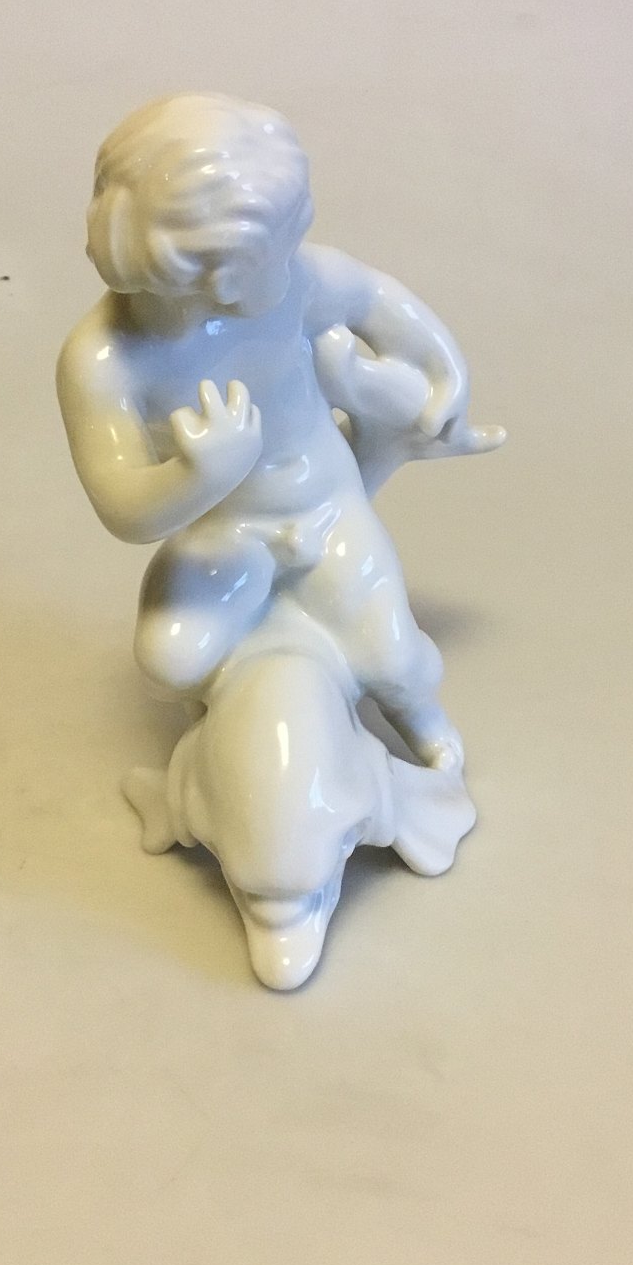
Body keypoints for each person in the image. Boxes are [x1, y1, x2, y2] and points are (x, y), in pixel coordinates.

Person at [57, 93, 503, 768]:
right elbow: (123, 508)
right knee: (170, 663)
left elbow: (376, 299)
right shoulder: (105, 361)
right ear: (207, 276)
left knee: (393, 659)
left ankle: (420, 716)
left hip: (325, 507)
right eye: (276, 251)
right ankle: (240, 713)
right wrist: (196, 477)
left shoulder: (294, 282)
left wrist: (446, 375)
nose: (294, 258)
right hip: (223, 537)